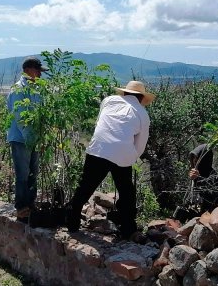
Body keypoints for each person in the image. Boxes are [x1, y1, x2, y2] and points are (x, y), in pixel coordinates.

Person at [66, 80, 155, 242]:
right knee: (127, 192)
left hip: (97, 149)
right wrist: (130, 156)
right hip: (122, 153)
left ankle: (71, 222)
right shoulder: (142, 114)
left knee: (85, 187)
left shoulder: (109, 100)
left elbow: (101, 123)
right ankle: (128, 229)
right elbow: (140, 145)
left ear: (124, 93)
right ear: (142, 98)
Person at [7, 57, 49, 223]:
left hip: (34, 140)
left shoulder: (36, 89)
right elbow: (21, 118)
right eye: (38, 70)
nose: (40, 74)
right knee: (23, 175)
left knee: (33, 174)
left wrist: (40, 138)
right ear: (29, 70)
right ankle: (22, 209)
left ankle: (30, 206)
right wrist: (32, 139)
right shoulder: (19, 90)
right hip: (21, 139)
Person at [187, 144, 218, 214]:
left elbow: (213, 198)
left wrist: (198, 179)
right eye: (193, 158)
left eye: (197, 159)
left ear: (204, 159)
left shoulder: (215, 177)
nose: (194, 161)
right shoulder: (193, 173)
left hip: (208, 216)